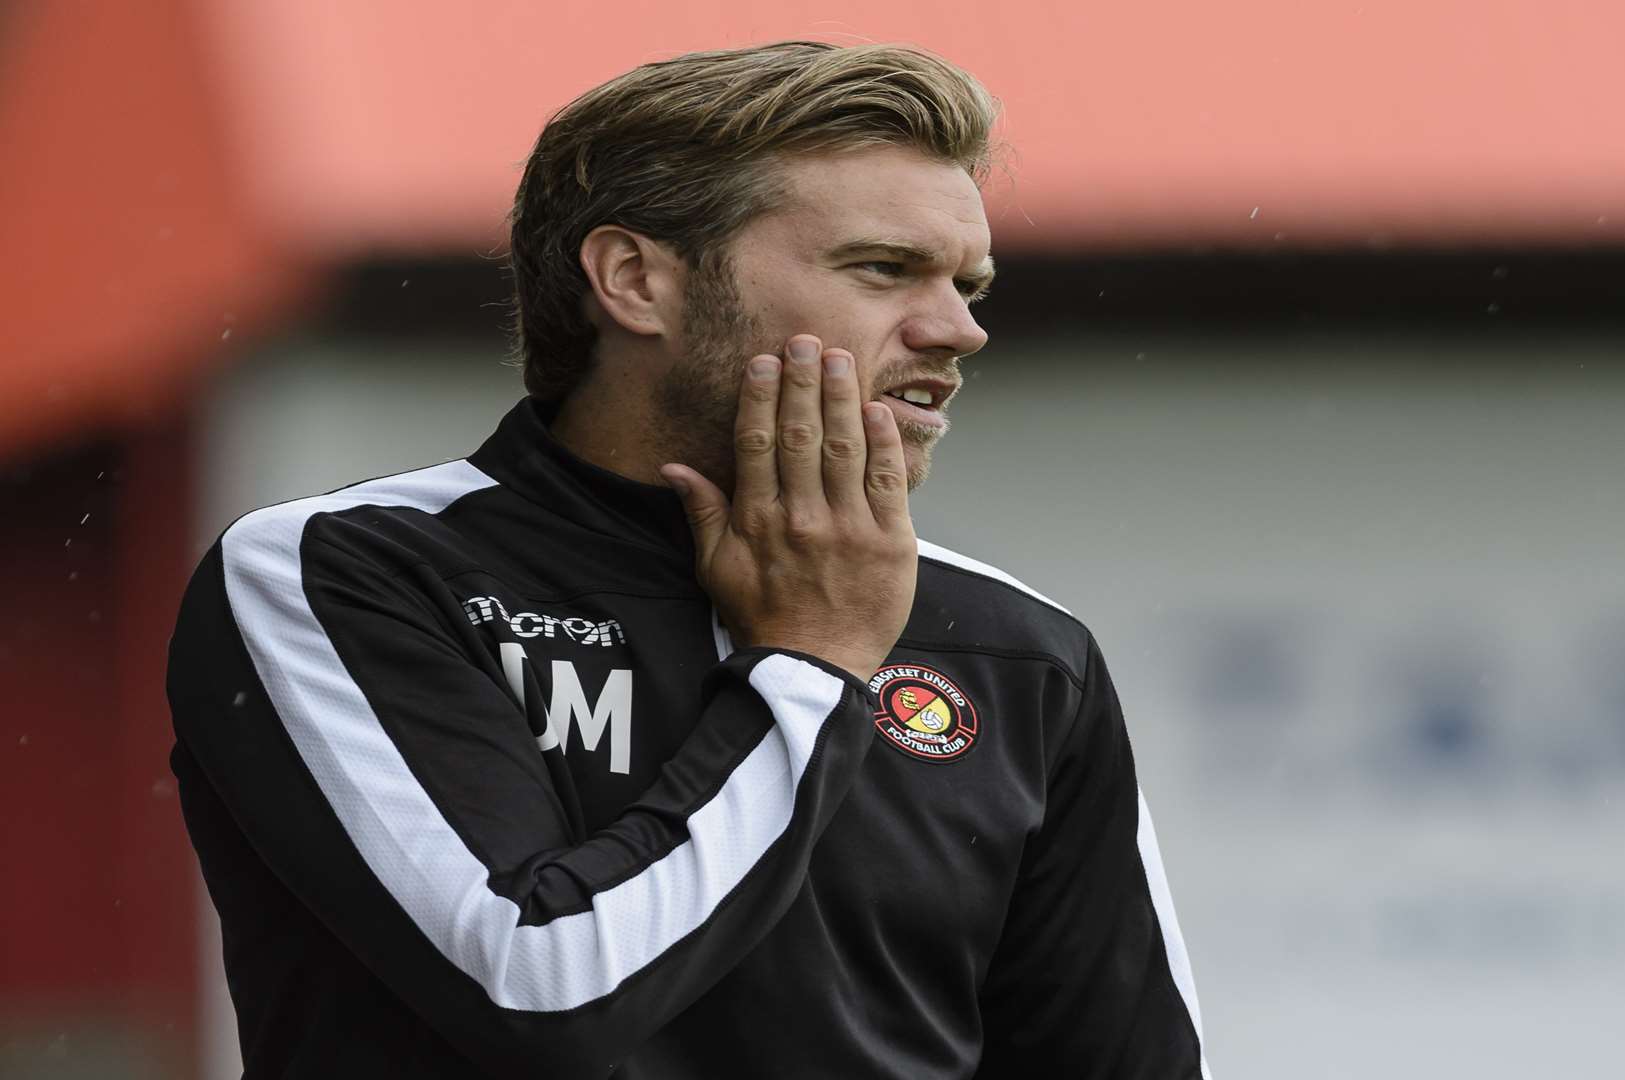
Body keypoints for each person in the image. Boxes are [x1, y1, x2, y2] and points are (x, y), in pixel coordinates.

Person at [168, 40, 1209, 1078]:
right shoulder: (344, 570)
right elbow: (546, 987)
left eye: (969, 284)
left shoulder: (1015, 650)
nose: (958, 331)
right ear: (636, 281)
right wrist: (809, 667)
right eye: (884, 269)